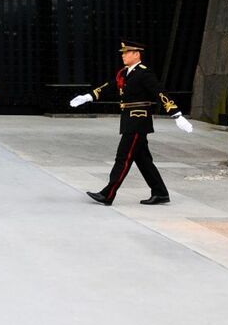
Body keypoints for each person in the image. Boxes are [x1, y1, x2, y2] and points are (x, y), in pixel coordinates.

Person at [68, 39, 192, 206]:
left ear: (136, 54)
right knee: (143, 160)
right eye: (123, 53)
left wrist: (176, 114)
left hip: (138, 122)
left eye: (127, 53)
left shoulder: (144, 73)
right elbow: (110, 86)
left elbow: (160, 93)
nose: (123, 56)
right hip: (129, 120)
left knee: (123, 158)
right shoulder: (125, 73)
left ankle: (108, 194)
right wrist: (89, 96)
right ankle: (160, 193)